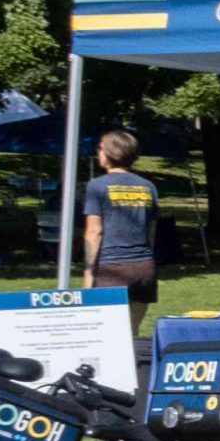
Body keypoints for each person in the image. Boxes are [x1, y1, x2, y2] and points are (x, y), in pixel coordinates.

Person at [81, 131, 161, 332]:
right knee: (131, 333)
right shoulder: (147, 186)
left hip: (111, 268)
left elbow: (94, 232)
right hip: (144, 267)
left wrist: (89, 272)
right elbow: (151, 230)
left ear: (108, 153)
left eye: (100, 147)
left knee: (108, 334)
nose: (98, 152)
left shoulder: (97, 186)